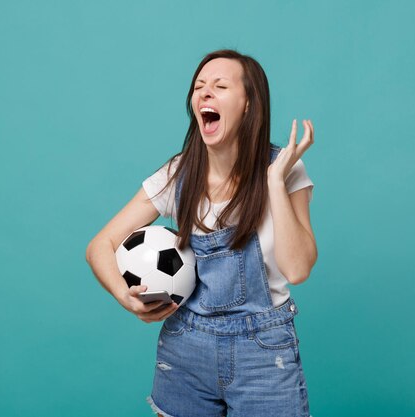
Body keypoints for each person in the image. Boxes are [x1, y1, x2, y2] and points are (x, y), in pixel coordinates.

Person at [86, 49, 316, 417]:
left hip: (264, 350)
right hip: (186, 349)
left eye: (220, 86)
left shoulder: (285, 169)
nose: (204, 93)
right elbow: (101, 245)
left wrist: (274, 181)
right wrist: (125, 298)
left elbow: (298, 268)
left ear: (248, 104)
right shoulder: (179, 174)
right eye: (198, 87)